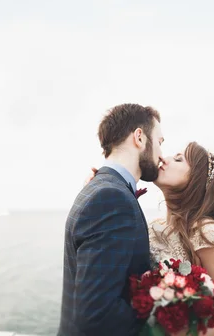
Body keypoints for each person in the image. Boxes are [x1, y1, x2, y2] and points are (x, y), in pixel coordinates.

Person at [58, 103, 165, 336]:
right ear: (139, 137)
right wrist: (160, 323)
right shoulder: (112, 197)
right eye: (159, 142)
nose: (161, 154)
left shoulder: (102, 188)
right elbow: (96, 316)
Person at [150, 142, 214, 335]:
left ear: (196, 180)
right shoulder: (154, 227)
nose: (163, 159)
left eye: (178, 159)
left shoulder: (205, 231)